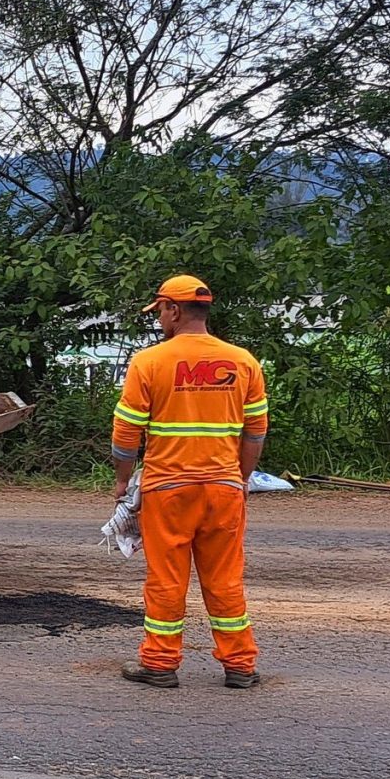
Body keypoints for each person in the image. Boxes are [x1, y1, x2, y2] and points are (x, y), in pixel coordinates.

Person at [109, 275, 267, 689]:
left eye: (160, 311)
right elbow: (256, 432)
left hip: (168, 489)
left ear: (174, 311)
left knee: (166, 579)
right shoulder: (243, 361)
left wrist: (122, 483)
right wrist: (243, 477)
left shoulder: (150, 362)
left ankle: (159, 664)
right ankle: (240, 665)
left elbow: (125, 436)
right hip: (224, 489)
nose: (159, 319)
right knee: (225, 579)